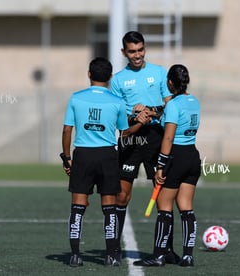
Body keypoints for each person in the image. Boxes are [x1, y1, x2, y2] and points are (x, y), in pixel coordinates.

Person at [61, 57, 149, 267]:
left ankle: (75, 255)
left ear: (89, 74)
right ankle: (110, 255)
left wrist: (66, 158)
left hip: (82, 155)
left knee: (78, 207)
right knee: (109, 207)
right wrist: (140, 122)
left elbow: (67, 130)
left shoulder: (76, 98)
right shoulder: (116, 101)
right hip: (108, 155)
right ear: (110, 77)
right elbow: (125, 132)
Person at [109, 31, 179, 262]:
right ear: (124, 52)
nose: (137, 55)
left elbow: (170, 106)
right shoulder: (118, 80)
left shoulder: (159, 72)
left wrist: (151, 110)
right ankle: (114, 249)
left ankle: (165, 250)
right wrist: (134, 115)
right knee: (121, 196)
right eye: (132, 51)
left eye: (140, 50)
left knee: (163, 195)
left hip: (156, 138)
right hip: (131, 140)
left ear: (145, 48)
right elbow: (118, 117)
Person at [133, 64, 202, 267]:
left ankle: (159, 255)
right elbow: (174, 118)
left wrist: (160, 166)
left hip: (175, 158)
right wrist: (153, 113)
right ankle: (187, 256)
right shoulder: (194, 101)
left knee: (164, 208)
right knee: (187, 208)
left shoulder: (173, 105)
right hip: (192, 156)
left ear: (170, 83)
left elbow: (169, 137)